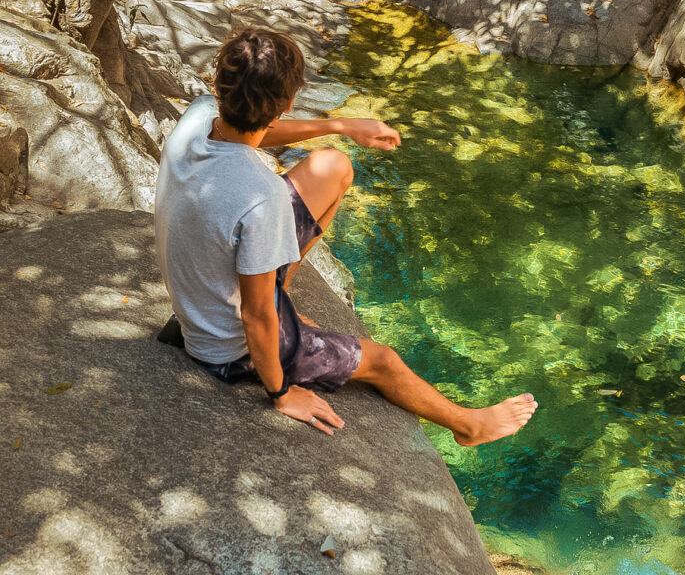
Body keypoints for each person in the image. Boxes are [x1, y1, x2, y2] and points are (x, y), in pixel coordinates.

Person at [154, 26, 538, 443]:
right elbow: (256, 315)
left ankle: (280, 291)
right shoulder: (258, 197)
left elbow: (258, 129)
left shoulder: (200, 114)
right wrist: (281, 392)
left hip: (203, 287)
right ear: (287, 103)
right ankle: (469, 426)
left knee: (332, 167)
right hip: (229, 348)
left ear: (221, 83)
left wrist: (341, 125)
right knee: (385, 362)